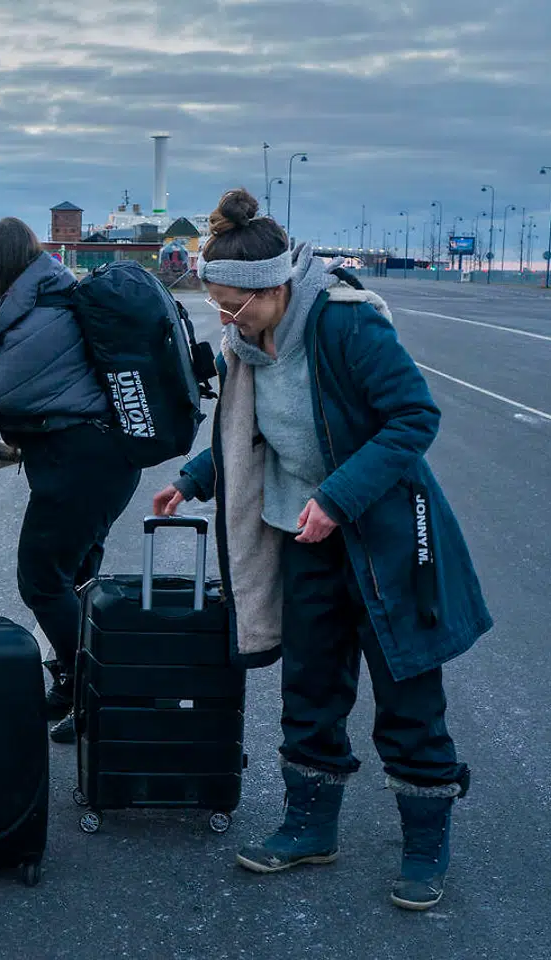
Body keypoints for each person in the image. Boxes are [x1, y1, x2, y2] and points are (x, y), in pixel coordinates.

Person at [151, 188, 492, 910]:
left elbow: (412, 418)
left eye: (235, 307)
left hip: (386, 538)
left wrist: (337, 498)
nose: (226, 320)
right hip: (300, 536)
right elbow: (251, 434)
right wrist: (193, 478)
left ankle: (426, 843)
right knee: (310, 687)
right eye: (215, 305)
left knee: (407, 694)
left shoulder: (345, 325)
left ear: (277, 288)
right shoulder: (245, 343)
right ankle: (311, 826)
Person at [0, 218, 139, 744]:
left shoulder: (41, 314)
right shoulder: (48, 297)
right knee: (78, 579)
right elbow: (30, 385)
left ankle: (92, 691)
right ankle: (80, 690)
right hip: (100, 461)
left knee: (41, 579)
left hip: (80, 465)